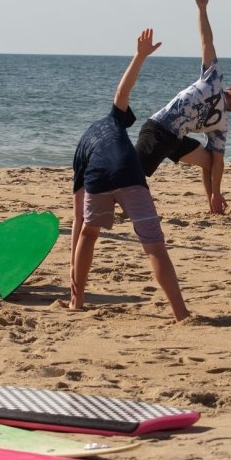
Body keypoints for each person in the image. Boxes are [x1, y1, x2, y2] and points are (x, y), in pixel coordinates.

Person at [70, 28, 190, 322]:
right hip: (129, 172)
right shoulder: (114, 120)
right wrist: (139, 56)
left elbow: (77, 217)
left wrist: (71, 270)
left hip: (97, 177)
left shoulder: (83, 146)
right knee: (154, 246)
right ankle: (181, 313)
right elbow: (122, 92)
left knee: (88, 232)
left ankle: (76, 301)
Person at [135, 0, 231, 215]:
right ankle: (107, 199)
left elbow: (206, 41)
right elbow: (206, 40)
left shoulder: (217, 101)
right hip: (158, 131)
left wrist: (216, 193)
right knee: (131, 174)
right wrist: (202, 9)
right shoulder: (217, 97)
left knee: (208, 161)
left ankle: (212, 205)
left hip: (173, 138)